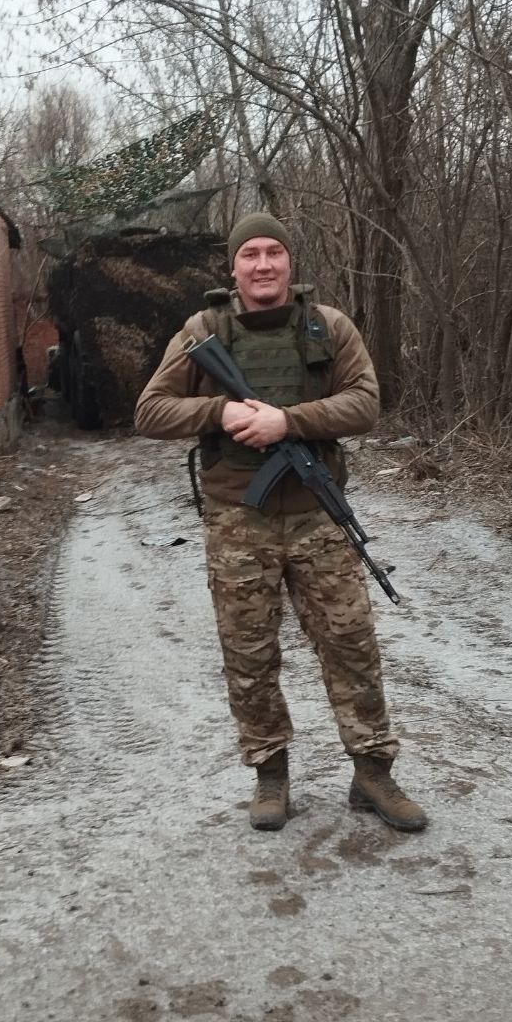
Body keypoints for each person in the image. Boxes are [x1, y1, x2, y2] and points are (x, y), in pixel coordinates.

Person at [133, 212, 427, 833]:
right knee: (249, 654)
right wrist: (220, 411)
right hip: (238, 522)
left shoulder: (329, 325)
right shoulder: (202, 331)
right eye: (251, 254)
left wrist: (286, 422)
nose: (263, 264)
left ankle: (373, 773)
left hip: (318, 516)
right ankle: (270, 776)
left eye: (274, 252)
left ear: (290, 261)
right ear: (233, 266)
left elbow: (365, 403)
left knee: (351, 646)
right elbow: (151, 411)